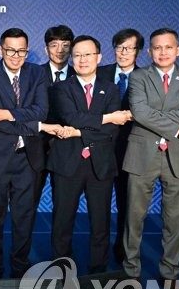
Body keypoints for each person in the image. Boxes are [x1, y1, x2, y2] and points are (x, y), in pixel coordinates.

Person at [122, 27, 179, 289]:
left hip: (177, 156)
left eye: (168, 47)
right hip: (142, 154)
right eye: (157, 47)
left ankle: (170, 273)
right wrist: (176, 129)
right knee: (134, 218)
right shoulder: (138, 76)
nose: (163, 52)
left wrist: (168, 122)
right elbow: (140, 112)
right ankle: (130, 272)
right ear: (149, 51)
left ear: (178, 50)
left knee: (175, 220)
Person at [0, 27, 48, 289]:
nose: (16, 56)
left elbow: (41, 111)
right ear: (0, 50)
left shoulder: (38, 73)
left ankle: (20, 270)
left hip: (27, 158)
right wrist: (29, 121)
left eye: (21, 51)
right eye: (10, 50)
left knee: (24, 219)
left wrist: (7, 113)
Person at [47, 35, 126, 274]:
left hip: (100, 164)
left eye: (88, 54)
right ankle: (61, 271)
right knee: (62, 223)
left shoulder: (111, 89)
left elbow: (111, 130)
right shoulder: (61, 88)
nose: (83, 60)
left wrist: (77, 132)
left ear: (99, 57)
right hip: (67, 163)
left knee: (100, 224)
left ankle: (97, 273)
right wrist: (107, 118)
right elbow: (72, 117)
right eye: (77, 55)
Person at [97, 28, 143, 264]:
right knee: (100, 204)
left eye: (129, 48)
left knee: (128, 203)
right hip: (101, 148)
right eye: (119, 47)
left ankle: (123, 248)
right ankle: (99, 251)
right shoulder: (100, 73)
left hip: (131, 150)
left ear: (138, 51)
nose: (123, 52)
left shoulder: (146, 78)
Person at [36, 25, 75, 211]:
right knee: (27, 203)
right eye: (54, 45)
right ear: (46, 49)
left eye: (65, 45)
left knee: (64, 206)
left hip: (68, 147)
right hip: (36, 147)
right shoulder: (33, 74)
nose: (60, 50)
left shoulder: (80, 76)